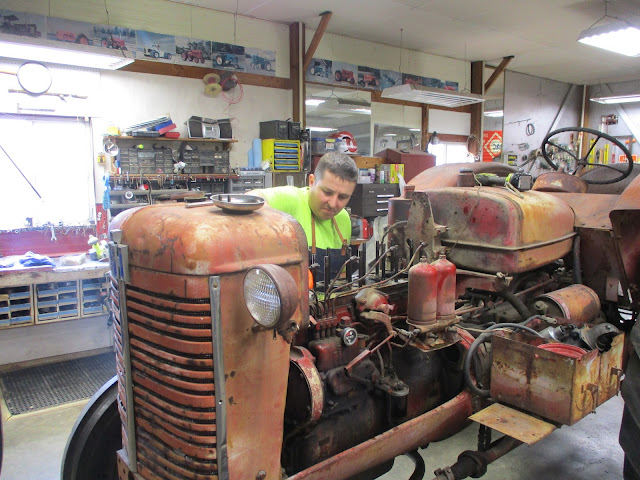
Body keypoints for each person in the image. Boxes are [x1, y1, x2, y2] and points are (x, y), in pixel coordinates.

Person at [250, 151, 358, 252]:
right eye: (327, 192)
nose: (333, 204)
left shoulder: (343, 218)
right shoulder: (293, 200)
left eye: (342, 197)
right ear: (312, 181)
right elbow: (252, 197)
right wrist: (274, 223)